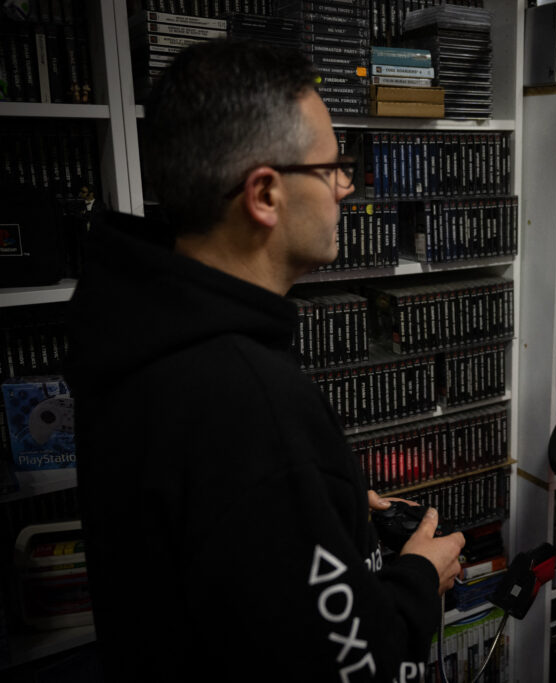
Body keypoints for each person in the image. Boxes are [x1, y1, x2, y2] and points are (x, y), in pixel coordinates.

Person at [66, 39, 465, 682]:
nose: (344, 186)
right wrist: (419, 580)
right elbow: (343, 666)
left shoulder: (133, 331)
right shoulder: (248, 402)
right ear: (265, 195)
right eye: (331, 166)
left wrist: (309, 512)